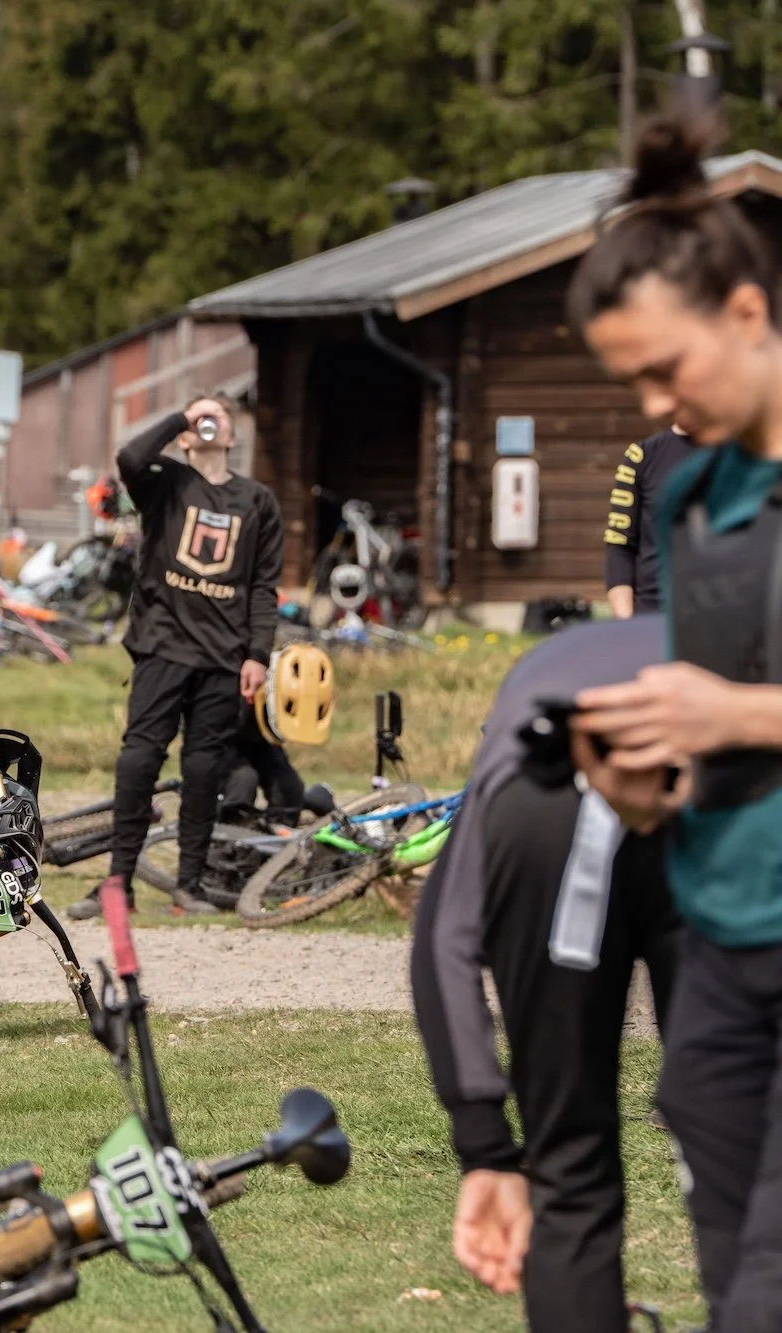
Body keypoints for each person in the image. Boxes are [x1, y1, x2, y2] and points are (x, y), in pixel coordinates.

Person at [568, 109, 782, 1329]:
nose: (656, 406)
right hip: (719, 957)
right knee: (724, 1284)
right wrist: (646, 779)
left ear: (744, 314)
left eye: (665, 369)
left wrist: (732, 710)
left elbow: (737, 705)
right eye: (631, 382)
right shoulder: (690, 495)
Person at [412, 616, 679, 1332]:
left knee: (569, 1176)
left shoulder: (541, 673)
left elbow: (443, 935)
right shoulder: (736, 646)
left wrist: (486, 1148)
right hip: (698, 781)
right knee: (740, 1151)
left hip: (544, 803)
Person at [69, 397, 283, 920]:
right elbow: (129, 457)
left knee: (205, 769)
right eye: (199, 418)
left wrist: (258, 655)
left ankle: (188, 885)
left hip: (224, 656)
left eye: (218, 418)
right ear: (185, 435)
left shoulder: (257, 501)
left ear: (232, 436)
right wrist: (180, 419)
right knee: (139, 760)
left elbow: (263, 586)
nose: (209, 424)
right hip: (161, 645)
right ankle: (118, 882)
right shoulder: (164, 482)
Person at [603, 426, 697, 617]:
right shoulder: (641, 454)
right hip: (653, 614)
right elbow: (619, 544)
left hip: (721, 613)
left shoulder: (738, 451)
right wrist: (626, 623)